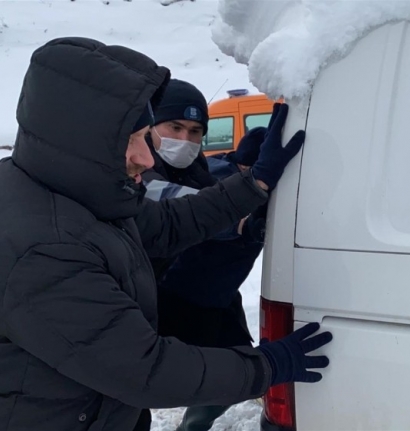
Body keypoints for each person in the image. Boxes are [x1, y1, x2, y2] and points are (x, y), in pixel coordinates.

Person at [0, 37, 332, 431]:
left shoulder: (72, 189)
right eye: (133, 141)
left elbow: (167, 223)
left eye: (146, 138)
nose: (146, 157)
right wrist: (267, 366)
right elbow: (145, 371)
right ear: (80, 139)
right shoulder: (45, 249)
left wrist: (254, 184)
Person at [136, 78, 272, 431]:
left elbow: (208, 180)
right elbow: (185, 205)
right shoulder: (137, 173)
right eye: (175, 127)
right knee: (137, 390)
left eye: (196, 131)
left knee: (238, 372)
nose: (184, 140)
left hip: (209, 294)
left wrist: (239, 167)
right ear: (150, 125)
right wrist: (242, 221)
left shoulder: (195, 166)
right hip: (154, 298)